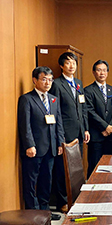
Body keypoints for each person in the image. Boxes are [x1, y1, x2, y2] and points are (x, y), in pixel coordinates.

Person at [18, 67, 64, 220]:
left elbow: (58, 123)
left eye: (50, 79)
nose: (48, 82)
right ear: (35, 80)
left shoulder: (53, 99)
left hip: (51, 147)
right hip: (35, 149)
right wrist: (29, 145)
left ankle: (45, 213)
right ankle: (33, 214)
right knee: (31, 182)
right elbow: (25, 125)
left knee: (46, 181)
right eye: (44, 79)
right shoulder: (27, 99)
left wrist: (60, 143)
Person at [49, 52, 90, 212]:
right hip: (65, 133)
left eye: (74, 63)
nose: (72, 65)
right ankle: (63, 201)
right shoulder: (57, 84)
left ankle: (76, 197)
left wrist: (85, 128)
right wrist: (60, 135)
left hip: (79, 132)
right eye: (68, 63)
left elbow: (83, 108)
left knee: (76, 169)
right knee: (62, 169)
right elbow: (56, 111)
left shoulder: (78, 83)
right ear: (61, 66)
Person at [84, 60, 112, 177]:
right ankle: (92, 193)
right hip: (96, 135)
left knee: (108, 165)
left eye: (104, 70)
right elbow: (90, 111)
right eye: (99, 70)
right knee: (95, 165)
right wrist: (104, 127)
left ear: (107, 72)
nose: (102, 73)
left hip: (110, 135)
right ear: (94, 72)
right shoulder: (88, 90)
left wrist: (111, 127)